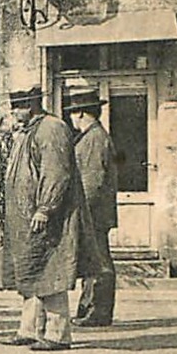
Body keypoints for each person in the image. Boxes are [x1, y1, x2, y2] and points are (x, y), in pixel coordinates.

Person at [2, 86, 98, 352]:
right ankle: (29, 329)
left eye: (19, 106)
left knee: (50, 271)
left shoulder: (51, 129)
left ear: (32, 105)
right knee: (32, 271)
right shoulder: (28, 132)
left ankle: (57, 334)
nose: (15, 112)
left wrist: (45, 208)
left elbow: (56, 173)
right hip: (26, 217)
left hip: (47, 216)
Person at [67, 86, 118, 327]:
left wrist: (80, 212)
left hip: (93, 214)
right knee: (92, 261)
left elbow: (92, 182)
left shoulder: (94, 139)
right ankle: (89, 310)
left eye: (72, 113)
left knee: (98, 263)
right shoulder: (93, 137)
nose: (71, 119)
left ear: (81, 114)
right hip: (94, 213)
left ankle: (98, 312)